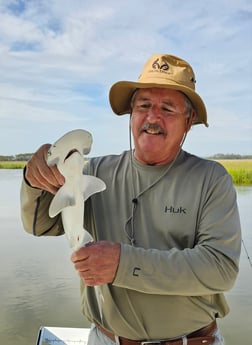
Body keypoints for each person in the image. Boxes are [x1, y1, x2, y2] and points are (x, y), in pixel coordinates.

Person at [20, 54, 241, 345]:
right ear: (131, 114)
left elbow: (220, 269)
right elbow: (39, 225)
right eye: (144, 106)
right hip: (105, 339)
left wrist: (124, 264)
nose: (152, 117)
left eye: (167, 108)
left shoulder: (212, 179)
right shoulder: (91, 172)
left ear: (188, 122)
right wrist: (32, 180)